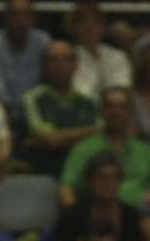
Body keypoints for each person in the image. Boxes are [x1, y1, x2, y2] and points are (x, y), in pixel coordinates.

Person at [59, 87, 150, 210]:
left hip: (142, 216)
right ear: (101, 111)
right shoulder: (83, 148)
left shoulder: (146, 151)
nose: (116, 112)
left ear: (131, 112)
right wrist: (77, 216)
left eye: (122, 107)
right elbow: (66, 189)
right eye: (110, 106)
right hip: (99, 216)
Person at [21, 41, 99, 178]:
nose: (60, 65)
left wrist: (58, 138)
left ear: (75, 65)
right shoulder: (34, 98)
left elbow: (101, 141)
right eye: (53, 60)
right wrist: (91, 131)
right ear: (44, 67)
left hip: (87, 174)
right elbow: (51, 141)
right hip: (46, 173)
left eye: (66, 59)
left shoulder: (90, 101)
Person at [57, 150, 145, 241]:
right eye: (101, 177)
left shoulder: (131, 215)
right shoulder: (73, 215)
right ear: (90, 180)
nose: (107, 183)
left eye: (113, 177)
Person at [0, 0, 50, 120]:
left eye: (25, 15)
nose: (20, 20)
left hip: (37, 111)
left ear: (33, 18)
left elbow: (48, 81)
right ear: (4, 18)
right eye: (14, 15)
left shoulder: (43, 41)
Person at [70, 1, 132, 101]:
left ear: (103, 27)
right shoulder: (68, 57)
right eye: (83, 22)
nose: (89, 27)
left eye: (95, 22)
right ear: (74, 27)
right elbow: (79, 92)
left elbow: (122, 87)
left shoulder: (117, 56)